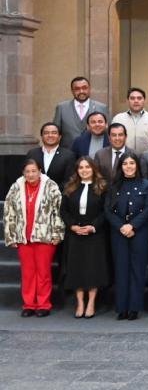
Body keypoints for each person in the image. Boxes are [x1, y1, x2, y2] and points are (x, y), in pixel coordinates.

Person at [4, 158, 65, 317]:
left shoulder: (51, 187)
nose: (30, 174)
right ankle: (29, 304)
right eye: (27, 172)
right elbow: (9, 212)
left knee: (43, 272)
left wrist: (57, 233)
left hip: (44, 236)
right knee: (27, 273)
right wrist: (10, 235)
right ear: (23, 173)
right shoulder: (16, 187)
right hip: (23, 237)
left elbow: (58, 212)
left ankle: (43, 304)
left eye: (33, 171)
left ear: (40, 172)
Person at [105, 153, 148, 321]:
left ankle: (134, 308)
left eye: (132, 163)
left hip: (139, 232)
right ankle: (121, 308)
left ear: (137, 166)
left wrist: (133, 226)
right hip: (118, 233)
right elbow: (108, 211)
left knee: (137, 270)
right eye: (125, 164)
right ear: (120, 167)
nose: (129, 166)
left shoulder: (146, 185)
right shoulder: (113, 186)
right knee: (121, 269)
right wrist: (122, 226)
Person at [60, 157, 109, 319]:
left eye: (87, 167)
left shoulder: (102, 187)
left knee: (93, 268)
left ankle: (91, 302)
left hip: (95, 233)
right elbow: (64, 211)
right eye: (81, 168)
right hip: (75, 233)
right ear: (77, 170)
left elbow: (105, 211)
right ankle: (80, 302)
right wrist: (72, 226)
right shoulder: (70, 187)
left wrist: (93, 226)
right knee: (77, 268)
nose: (84, 170)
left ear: (93, 168)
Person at [53, 76, 108, 148]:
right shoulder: (61, 108)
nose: (81, 91)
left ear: (89, 89)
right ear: (72, 91)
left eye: (84, 88)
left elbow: (107, 132)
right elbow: (55, 132)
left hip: (94, 153)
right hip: (68, 153)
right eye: (77, 89)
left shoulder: (102, 107)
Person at [28, 122, 76, 191]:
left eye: (54, 133)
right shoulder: (32, 153)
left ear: (59, 137)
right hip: (34, 195)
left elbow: (69, 180)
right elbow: (26, 175)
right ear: (41, 136)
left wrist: (52, 192)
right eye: (46, 133)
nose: (50, 135)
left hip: (59, 196)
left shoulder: (68, 155)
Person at [112, 87, 148, 154]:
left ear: (145, 101)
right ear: (127, 101)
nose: (136, 101)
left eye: (139, 98)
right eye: (132, 98)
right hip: (124, 159)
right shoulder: (118, 119)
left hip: (147, 159)